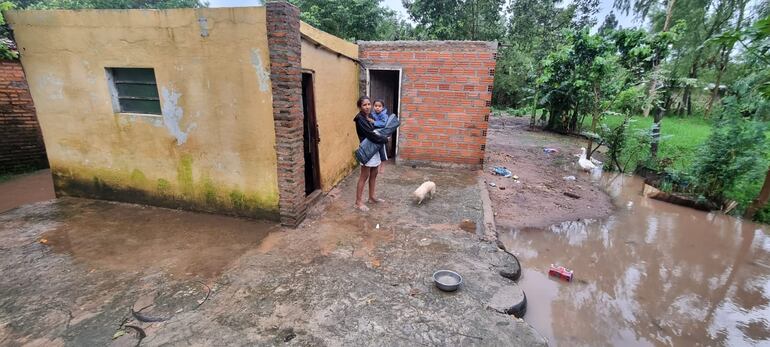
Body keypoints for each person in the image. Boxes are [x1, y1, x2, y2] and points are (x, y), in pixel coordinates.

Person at [353, 96, 388, 211]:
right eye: (364, 105)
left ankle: (372, 197)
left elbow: (380, 127)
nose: (367, 107)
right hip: (367, 149)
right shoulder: (360, 119)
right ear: (360, 106)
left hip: (375, 149)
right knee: (364, 176)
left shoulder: (371, 116)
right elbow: (370, 134)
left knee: (374, 173)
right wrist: (384, 139)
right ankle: (358, 202)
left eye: (369, 104)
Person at [370, 99, 389, 173]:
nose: (377, 107)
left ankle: (383, 163)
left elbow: (384, 124)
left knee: (382, 149)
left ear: (383, 107)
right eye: (375, 106)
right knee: (375, 149)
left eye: (379, 106)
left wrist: (374, 122)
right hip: (375, 134)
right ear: (373, 106)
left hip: (382, 134)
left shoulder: (384, 115)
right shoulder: (372, 114)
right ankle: (376, 165)